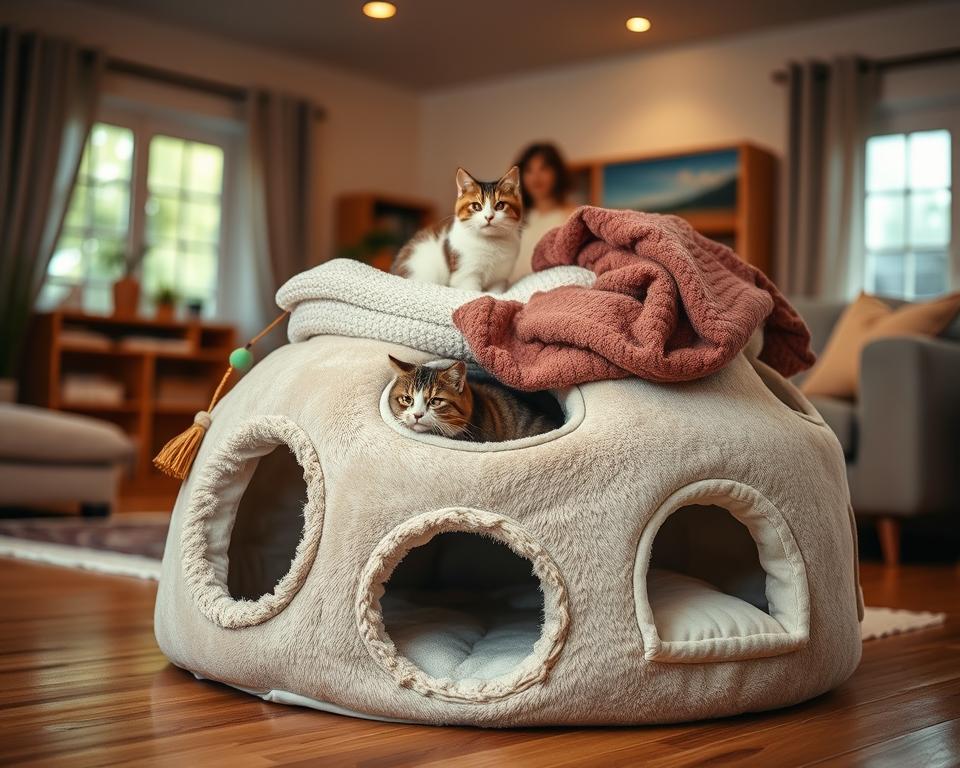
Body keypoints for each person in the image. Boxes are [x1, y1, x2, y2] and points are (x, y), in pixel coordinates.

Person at [509, 142, 577, 284]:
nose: (536, 177)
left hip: (555, 293)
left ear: (557, 173)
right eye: (529, 170)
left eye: (543, 168)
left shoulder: (574, 215)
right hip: (512, 292)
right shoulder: (511, 219)